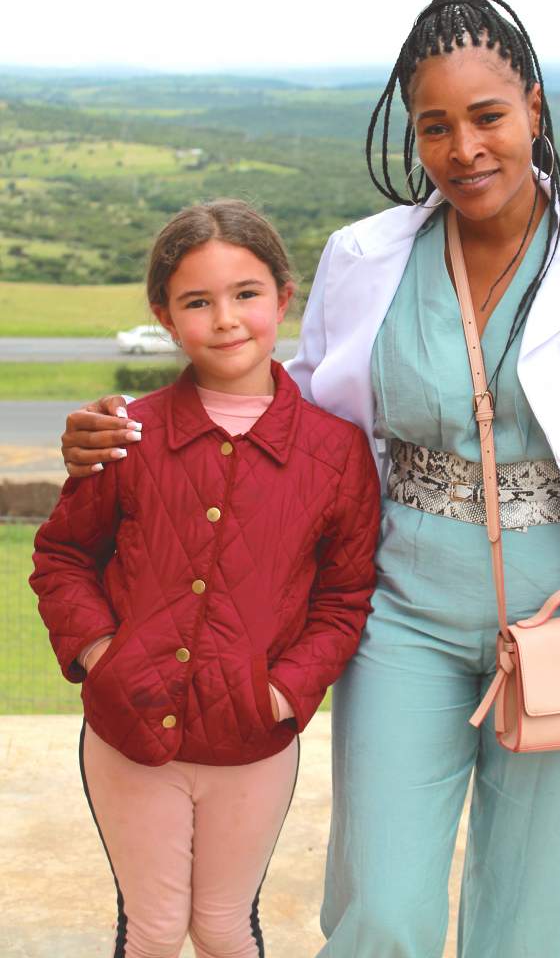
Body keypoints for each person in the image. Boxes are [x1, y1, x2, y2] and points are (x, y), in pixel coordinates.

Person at [61, 0, 560, 958]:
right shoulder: (366, 256)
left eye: (488, 117)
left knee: (535, 918)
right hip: (402, 611)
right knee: (383, 909)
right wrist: (127, 432)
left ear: (535, 108)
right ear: (413, 135)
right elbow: (292, 413)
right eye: (435, 126)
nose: (464, 148)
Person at [32, 199, 380, 958]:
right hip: (128, 731)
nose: (225, 320)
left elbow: (343, 598)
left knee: (223, 927)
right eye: (197, 301)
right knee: (154, 931)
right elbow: (62, 558)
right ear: (165, 317)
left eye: (246, 294)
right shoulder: (127, 435)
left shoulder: (337, 453)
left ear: (283, 298)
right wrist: (102, 656)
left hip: (253, 741)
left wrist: (282, 693)